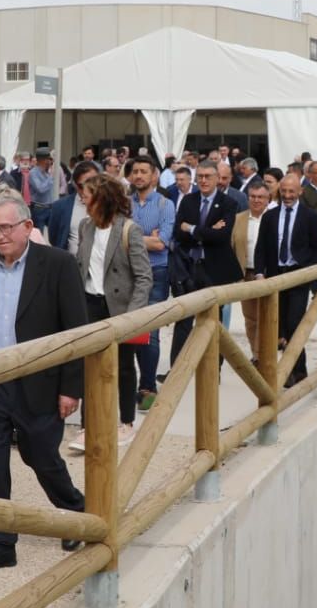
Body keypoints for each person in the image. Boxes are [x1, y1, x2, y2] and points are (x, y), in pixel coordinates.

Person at [0, 194, 88, 572]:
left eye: (6, 228)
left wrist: (71, 388)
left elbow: (77, 330)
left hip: (41, 382)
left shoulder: (58, 265)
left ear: (28, 228)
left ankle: (75, 513)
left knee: (40, 456)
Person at [67, 175, 151, 452]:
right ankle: (87, 425)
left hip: (121, 309)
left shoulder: (129, 230)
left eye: (87, 194)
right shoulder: (85, 226)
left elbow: (143, 277)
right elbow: (81, 268)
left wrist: (132, 316)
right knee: (88, 367)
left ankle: (125, 421)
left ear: (101, 199)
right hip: (90, 304)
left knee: (124, 366)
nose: (82, 198)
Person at [257, 174, 317, 387]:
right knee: (279, 327)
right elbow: (261, 247)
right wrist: (260, 273)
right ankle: (298, 370)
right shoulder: (270, 216)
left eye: (291, 192)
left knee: (294, 324)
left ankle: (291, 370)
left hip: (298, 276)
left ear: (300, 192)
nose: (287, 196)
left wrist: (308, 272)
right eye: (284, 191)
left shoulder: (309, 217)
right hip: (276, 276)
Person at [170, 160, 240, 365]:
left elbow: (222, 236)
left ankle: (212, 368)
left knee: (213, 320)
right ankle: (177, 366)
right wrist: (208, 231)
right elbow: (177, 233)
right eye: (200, 176)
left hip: (215, 269)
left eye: (208, 176)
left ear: (217, 178)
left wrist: (191, 229)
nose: (203, 180)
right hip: (189, 267)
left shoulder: (228, 203)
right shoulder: (188, 201)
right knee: (183, 318)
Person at [127, 156, 175, 411]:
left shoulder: (166, 205)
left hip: (157, 272)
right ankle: (135, 383)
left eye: (144, 171)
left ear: (154, 176)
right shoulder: (124, 204)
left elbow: (162, 243)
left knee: (151, 331)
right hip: (128, 273)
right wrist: (148, 237)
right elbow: (117, 236)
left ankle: (147, 387)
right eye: (135, 171)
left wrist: (132, 237)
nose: (139, 176)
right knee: (133, 329)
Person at [231, 179, 275, 357]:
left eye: (261, 197)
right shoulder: (238, 219)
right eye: (253, 197)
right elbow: (231, 246)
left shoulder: (275, 218)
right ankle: (256, 355)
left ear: (268, 199)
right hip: (247, 275)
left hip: (270, 276)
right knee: (251, 320)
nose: (256, 200)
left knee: (267, 318)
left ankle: (264, 355)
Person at [43, 159, 100, 255]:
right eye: (83, 185)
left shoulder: (109, 205)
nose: (89, 189)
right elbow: (55, 238)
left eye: (94, 183)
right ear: (75, 185)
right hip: (72, 264)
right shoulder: (60, 207)